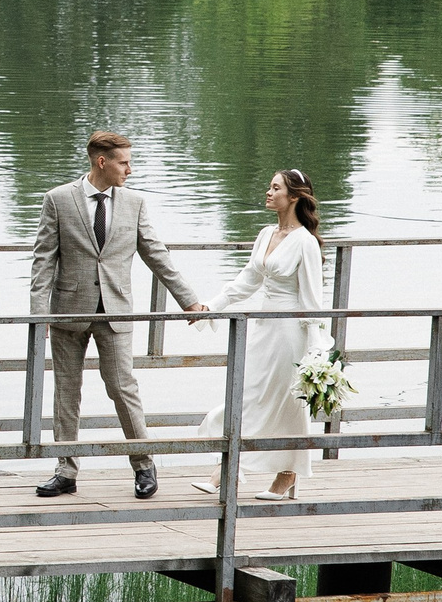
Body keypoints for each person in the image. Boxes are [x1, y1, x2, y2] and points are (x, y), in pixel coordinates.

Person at [29, 130, 207, 500]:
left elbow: (156, 254)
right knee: (66, 392)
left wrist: (187, 300)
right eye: (124, 162)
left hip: (116, 312)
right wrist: (38, 315)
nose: (131, 168)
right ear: (102, 162)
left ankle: (144, 465)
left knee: (123, 388)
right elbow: (43, 261)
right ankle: (66, 470)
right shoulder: (58, 199)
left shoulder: (135, 203)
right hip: (68, 312)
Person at [192, 169, 330, 502]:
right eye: (269, 186)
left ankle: (287, 475)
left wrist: (316, 349)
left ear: (294, 197)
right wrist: (212, 305)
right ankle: (229, 467)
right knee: (247, 395)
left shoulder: (305, 243)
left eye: (275, 188)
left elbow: (313, 301)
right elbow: (246, 281)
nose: (268, 192)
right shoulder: (266, 233)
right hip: (263, 329)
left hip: (289, 332)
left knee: (288, 404)